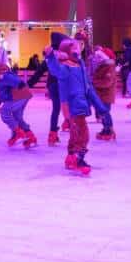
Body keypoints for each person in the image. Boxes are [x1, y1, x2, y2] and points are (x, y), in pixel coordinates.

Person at [45, 36, 95, 175]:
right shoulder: (66, 66)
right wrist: (50, 56)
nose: (78, 49)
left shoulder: (79, 64)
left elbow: (86, 85)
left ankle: (71, 156)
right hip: (72, 104)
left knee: (75, 131)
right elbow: (56, 70)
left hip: (81, 102)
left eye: (78, 47)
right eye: (74, 47)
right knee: (82, 132)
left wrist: (94, 102)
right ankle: (79, 158)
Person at [27, 50, 64, 146]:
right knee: (71, 109)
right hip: (64, 85)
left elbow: (38, 73)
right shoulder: (66, 54)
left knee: (56, 109)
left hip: (53, 85)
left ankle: (53, 134)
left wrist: (29, 84)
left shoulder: (50, 58)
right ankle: (73, 134)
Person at [0, 63, 37, 147]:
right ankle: (30, 136)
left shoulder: (5, 76)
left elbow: (19, 83)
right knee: (17, 117)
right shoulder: (4, 77)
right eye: (1, 70)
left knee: (5, 113)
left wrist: (19, 86)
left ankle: (17, 132)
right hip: (24, 96)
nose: (3, 71)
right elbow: (4, 89)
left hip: (19, 96)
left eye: (4, 69)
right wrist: (0, 99)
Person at [91, 46, 117, 141]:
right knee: (103, 113)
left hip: (106, 95)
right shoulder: (103, 66)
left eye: (99, 57)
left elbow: (107, 82)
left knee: (105, 113)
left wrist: (94, 83)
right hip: (101, 94)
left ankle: (109, 130)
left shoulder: (109, 67)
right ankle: (106, 128)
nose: (97, 58)